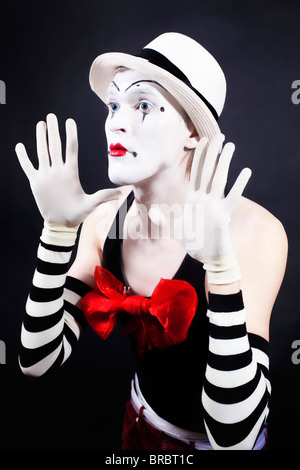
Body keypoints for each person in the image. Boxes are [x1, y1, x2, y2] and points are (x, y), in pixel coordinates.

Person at [15, 32, 287, 450]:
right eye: (113, 105)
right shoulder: (105, 221)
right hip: (139, 427)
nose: (115, 122)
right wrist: (56, 234)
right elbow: (37, 360)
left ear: (193, 132)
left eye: (143, 105)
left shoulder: (254, 233)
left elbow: (235, 437)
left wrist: (221, 269)